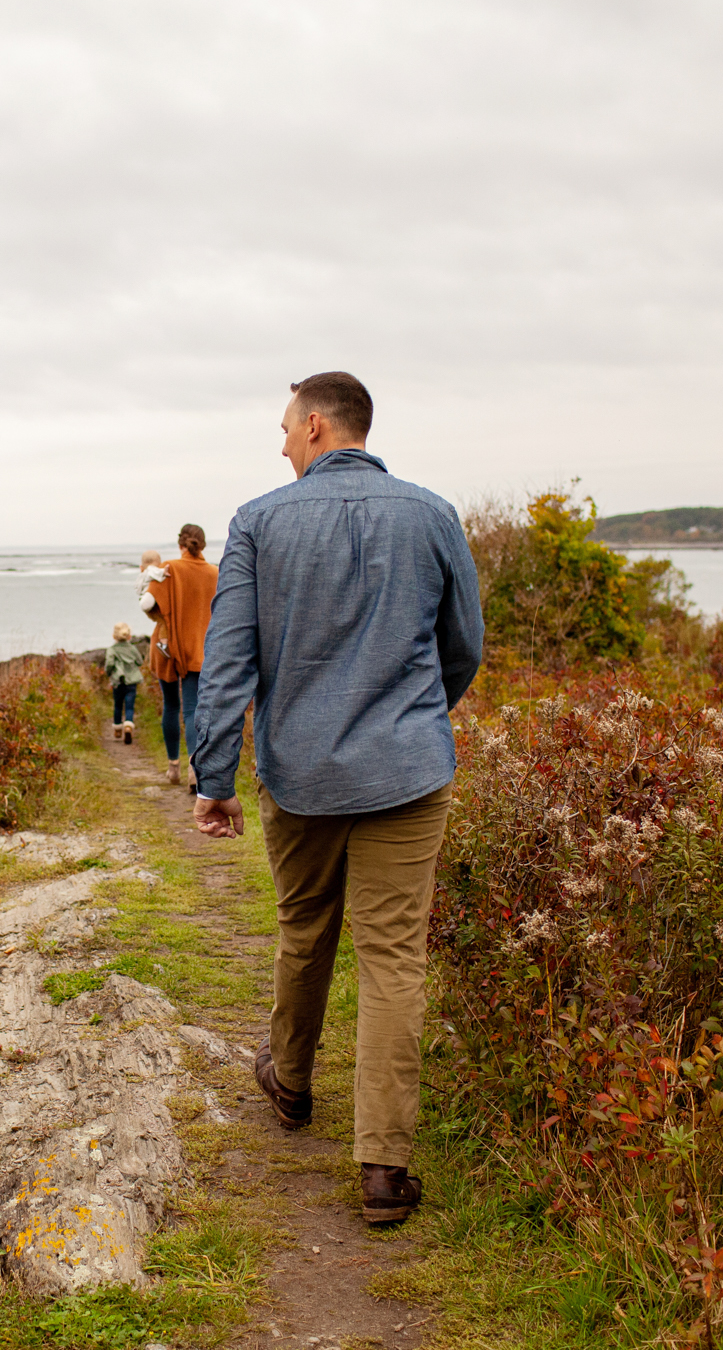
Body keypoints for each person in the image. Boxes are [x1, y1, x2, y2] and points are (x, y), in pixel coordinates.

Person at [189, 371, 483, 1226]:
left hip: (303, 771)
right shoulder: (432, 514)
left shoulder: (258, 522)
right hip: (409, 770)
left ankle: (290, 1083)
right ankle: (384, 1170)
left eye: (285, 428)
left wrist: (214, 779)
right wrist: (415, 716)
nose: (280, 444)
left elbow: (230, 660)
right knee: (394, 959)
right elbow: (462, 644)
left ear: (316, 426)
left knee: (304, 928)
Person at [141, 524, 218, 788]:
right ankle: (194, 771)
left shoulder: (170, 569)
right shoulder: (216, 574)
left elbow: (149, 603)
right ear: (203, 545)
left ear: (180, 545)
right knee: (194, 709)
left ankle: (173, 767)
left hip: (168, 649)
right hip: (200, 650)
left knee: (171, 706)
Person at [104, 623, 145, 745]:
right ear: (128, 636)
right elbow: (139, 661)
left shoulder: (112, 650)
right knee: (129, 705)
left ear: (114, 636)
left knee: (117, 705)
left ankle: (117, 729)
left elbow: (109, 664)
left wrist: (109, 673)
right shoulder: (132, 649)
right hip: (131, 681)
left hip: (118, 681)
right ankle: (128, 726)